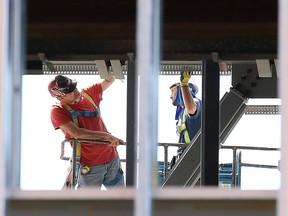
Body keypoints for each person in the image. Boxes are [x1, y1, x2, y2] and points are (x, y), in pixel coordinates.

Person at [48, 74, 125, 189]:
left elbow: (110, 79)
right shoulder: (58, 110)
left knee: (123, 202)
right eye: (70, 90)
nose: (75, 91)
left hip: (112, 160)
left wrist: (109, 67)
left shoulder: (89, 94)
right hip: (90, 166)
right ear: (60, 97)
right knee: (87, 205)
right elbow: (76, 133)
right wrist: (106, 136)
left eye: (74, 87)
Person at [169, 70, 202, 167]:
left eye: (173, 91)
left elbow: (191, 109)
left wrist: (184, 85)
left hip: (192, 161)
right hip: (185, 159)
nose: (170, 96)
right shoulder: (182, 113)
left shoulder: (196, 103)